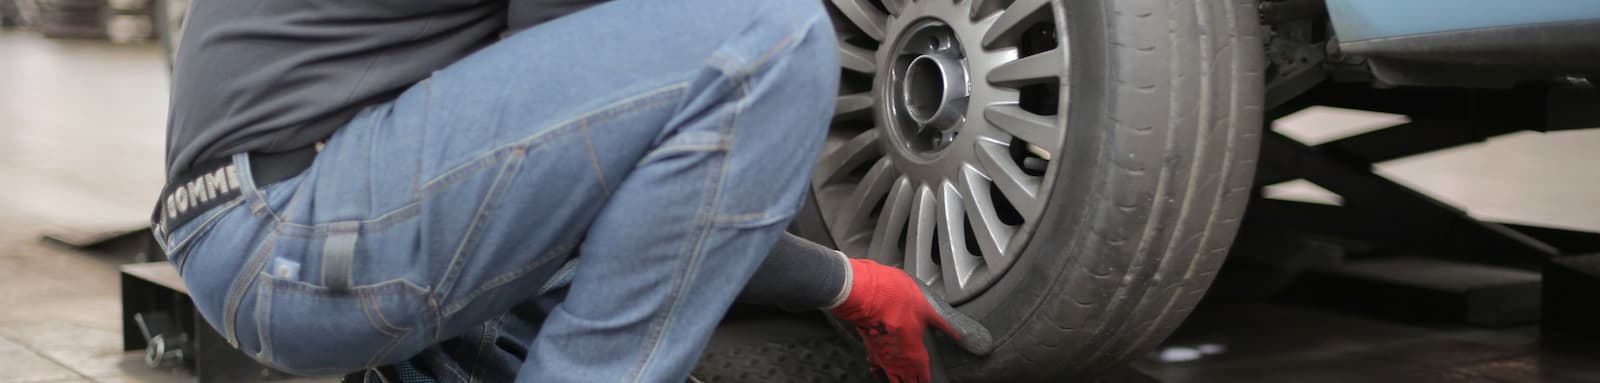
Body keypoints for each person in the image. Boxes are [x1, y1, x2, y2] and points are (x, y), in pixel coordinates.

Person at [152, 0, 989, 381]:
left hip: (263, 223)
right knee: (772, 38)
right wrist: (846, 282)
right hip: (301, 229)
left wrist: (848, 285)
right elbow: (601, 169)